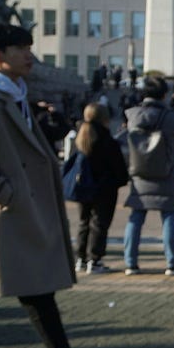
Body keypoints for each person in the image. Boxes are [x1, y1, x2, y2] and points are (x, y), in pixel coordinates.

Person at [0, 23, 111, 348]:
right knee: (36, 291)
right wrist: (7, 192)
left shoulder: (12, 92)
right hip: (3, 215)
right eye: (20, 48)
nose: (30, 56)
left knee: (12, 290)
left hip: (15, 214)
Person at [123, 77, 174, 276]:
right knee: (169, 217)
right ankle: (172, 262)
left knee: (136, 217)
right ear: (164, 94)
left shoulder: (132, 114)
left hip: (139, 172)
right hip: (165, 172)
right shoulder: (169, 116)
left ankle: (130, 263)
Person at [73, 103, 129, 274]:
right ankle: (94, 259)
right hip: (104, 188)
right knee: (99, 224)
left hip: (83, 187)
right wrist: (120, 180)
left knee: (84, 222)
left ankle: (81, 258)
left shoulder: (81, 137)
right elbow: (118, 168)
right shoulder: (106, 140)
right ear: (105, 118)